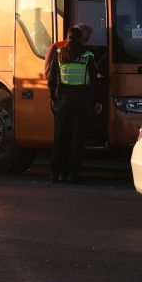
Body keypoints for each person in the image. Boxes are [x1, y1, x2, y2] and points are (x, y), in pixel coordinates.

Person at [49, 24, 101, 184]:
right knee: (77, 138)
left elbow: (52, 79)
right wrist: (97, 101)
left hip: (64, 101)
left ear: (68, 38)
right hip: (82, 100)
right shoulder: (87, 56)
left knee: (61, 137)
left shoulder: (59, 54)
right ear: (80, 39)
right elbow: (95, 80)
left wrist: (53, 98)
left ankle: (56, 173)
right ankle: (73, 174)